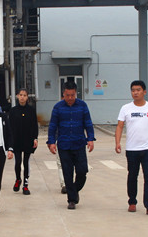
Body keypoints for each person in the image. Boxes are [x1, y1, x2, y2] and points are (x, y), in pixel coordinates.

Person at [114, 80, 148, 216]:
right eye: (133, 90)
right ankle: (132, 202)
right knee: (132, 176)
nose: (135, 92)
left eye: (138, 90)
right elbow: (119, 126)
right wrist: (117, 142)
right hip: (132, 149)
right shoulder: (126, 108)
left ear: (144, 92)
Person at [47, 81, 95, 210]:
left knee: (82, 171)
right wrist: (51, 142)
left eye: (72, 95)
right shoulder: (58, 107)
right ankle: (72, 200)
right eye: (67, 95)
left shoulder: (82, 106)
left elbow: (88, 123)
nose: (70, 98)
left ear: (76, 93)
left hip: (79, 144)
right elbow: (53, 126)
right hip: (64, 145)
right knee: (67, 173)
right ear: (63, 94)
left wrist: (90, 139)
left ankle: (73, 189)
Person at [8, 88, 38, 195]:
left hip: (28, 140)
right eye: (20, 95)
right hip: (16, 140)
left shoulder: (31, 110)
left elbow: (34, 125)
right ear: (17, 96)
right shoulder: (13, 111)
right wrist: (10, 142)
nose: (22, 97)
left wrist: (35, 138)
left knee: (26, 162)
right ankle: (18, 179)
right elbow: (10, 127)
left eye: (24, 95)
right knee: (18, 162)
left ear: (27, 97)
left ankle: (25, 184)